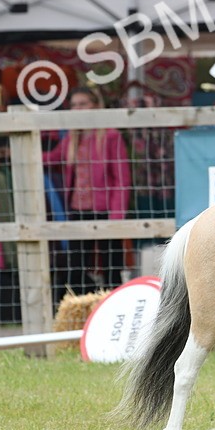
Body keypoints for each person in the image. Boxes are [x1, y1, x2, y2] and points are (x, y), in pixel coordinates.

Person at [44, 86, 132, 293]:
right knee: (75, 266)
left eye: (82, 103)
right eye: (74, 105)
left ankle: (114, 308)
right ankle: (81, 309)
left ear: (95, 105)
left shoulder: (110, 137)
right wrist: (20, 155)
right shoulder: (73, 138)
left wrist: (117, 216)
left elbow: (122, 179)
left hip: (105, 211)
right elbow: (53, 158)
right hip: (77, 210)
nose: (77, 108)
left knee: (112, 266)